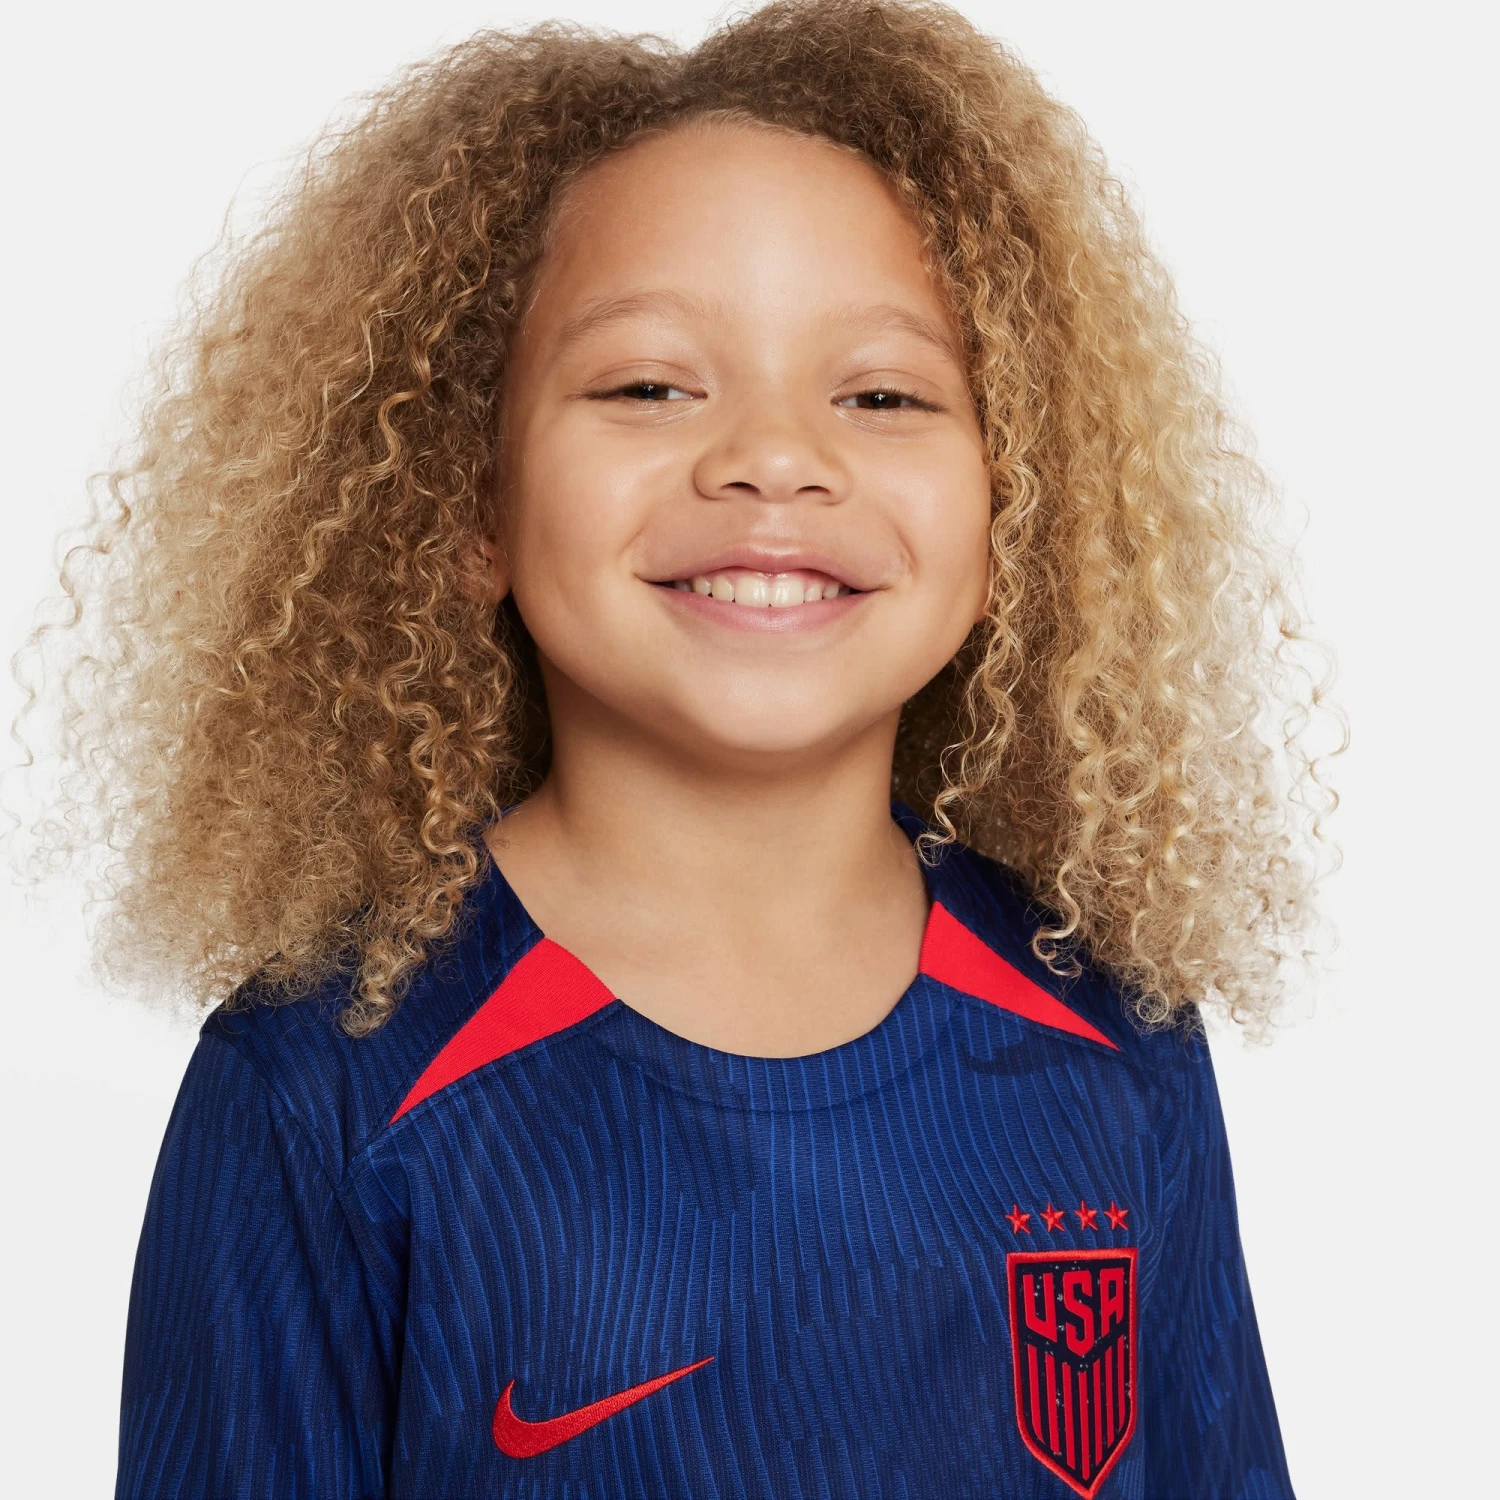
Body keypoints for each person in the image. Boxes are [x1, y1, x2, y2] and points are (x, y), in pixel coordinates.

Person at [19, 1, 1333, 1494]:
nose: (774, 458)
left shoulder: (1113, 1036)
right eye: (650, 386)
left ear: (1014, 510)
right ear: (469, 502)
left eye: (882, 394)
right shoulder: (324, 1084)